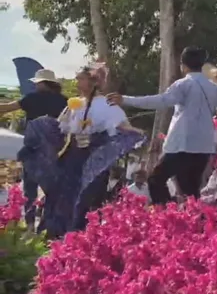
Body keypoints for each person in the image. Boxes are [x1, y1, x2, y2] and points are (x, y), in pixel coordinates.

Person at [18, 65, 144, 237]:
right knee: (62, 195)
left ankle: (81, 237)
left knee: (87, 198)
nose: (76, 82)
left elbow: (121, 124)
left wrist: (134, 132)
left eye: (80, 78)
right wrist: (40, 128)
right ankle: (59, 235)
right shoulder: (74, 104)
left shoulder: (106, 104)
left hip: (94, 159)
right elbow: (60, 126)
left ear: (93, 81)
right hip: (73, 157)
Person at [108, 47, 217, 204]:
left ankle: (166, 216)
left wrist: (126, 100)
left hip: (182, 144)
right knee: (190, 190)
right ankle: (193, 223)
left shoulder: (183, 84)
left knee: (156, 179)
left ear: (183, 66)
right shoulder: (213, 87)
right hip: (204, 146)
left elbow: (161, 101)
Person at [0, 69, 67, 230]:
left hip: (32, 149)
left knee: (29, 189)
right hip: (54, 151)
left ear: (44, 83)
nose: (36, 86)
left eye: (37, 83)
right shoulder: (64, 101)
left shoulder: (32, 98)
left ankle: (29, 225)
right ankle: (46, 225)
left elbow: (7, 108)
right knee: (51, 190)